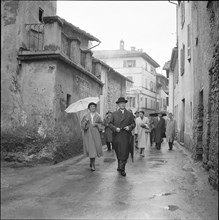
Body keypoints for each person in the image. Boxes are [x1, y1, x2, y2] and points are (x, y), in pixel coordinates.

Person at [109, 97, 136, 176]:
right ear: (118, 104)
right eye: (121, 103)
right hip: (117, 135)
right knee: (118, 151)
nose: (122, 104)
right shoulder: (114, 114)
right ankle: (119, 164)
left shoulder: (129, 114)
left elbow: (133, 124)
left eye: (124, 103)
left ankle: (122, 168)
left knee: (124, 152)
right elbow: (110, 124)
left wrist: (129, 127)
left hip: (126, 135)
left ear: (125, 104)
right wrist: (115, 128)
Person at [81, 102, 103, 171]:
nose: (92, 107)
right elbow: (82, 126)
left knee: (95, 148)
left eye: (94, 106)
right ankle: (92, 164)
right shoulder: (86, 116)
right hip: (88, 135)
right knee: (91, 149)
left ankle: (92, 162)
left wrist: (96, 124)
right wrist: (86, 122)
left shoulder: (98, 116)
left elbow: (101, 125)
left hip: (96, 134)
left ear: (95, 108)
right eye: (91, 106)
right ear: (89, 108)